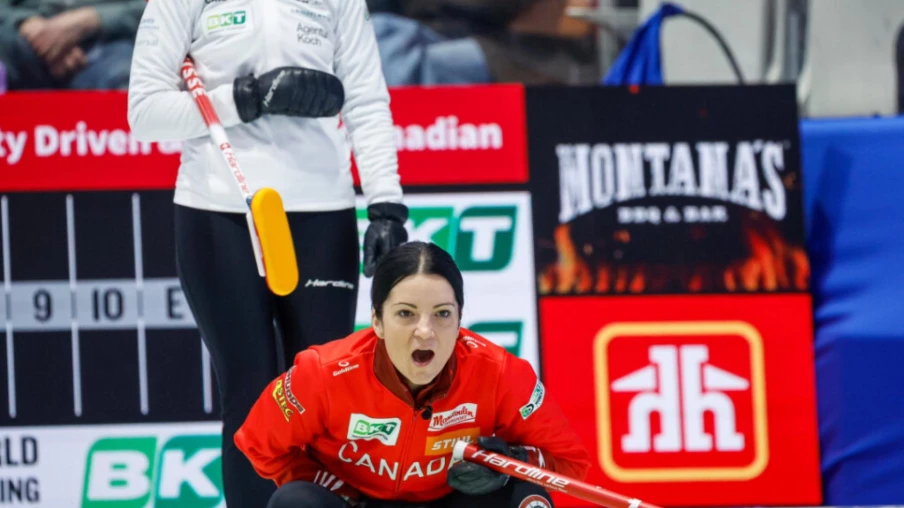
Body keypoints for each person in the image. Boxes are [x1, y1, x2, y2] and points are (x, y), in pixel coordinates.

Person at [126, 0, 409, 506]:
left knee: (321, 393)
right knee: (252, 391)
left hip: (322, 211)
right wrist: (247, 97)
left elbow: (366, 98)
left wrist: (386, 206)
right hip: (219, 210)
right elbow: (144, 112)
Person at [235, 241, 592, 507]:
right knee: (296, 503)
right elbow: (258, 444)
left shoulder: (501, 373)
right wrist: (338, 490)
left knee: (529, 499)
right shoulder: (324, 373)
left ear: (459, 319)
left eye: (442, 314)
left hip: (451, 502)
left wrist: (514, 461)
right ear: (377, 320)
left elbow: (571, 463)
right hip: (357, 503)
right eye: (406, 314)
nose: (426, 331)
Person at [0, 0, 144, 90]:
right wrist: (24, 22)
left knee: (130, 77)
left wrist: (93, 18)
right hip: (24, 39)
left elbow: (152, 8)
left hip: (107, 44)